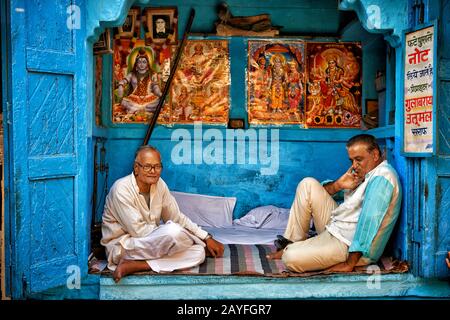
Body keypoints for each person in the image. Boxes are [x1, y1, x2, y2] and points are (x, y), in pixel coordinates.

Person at [267, 134, 402, 274]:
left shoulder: (383, 178)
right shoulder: (367, 174)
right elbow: (321, 192)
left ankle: (293, 250)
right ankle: (292, 243)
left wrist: (349, 264)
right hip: (336, 228)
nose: (354, 166)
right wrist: (338, 185)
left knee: (290, 258)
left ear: (375, 154)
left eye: (359, 160)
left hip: (348, 244)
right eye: (352, 161)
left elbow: (368, 223)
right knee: (307, 184)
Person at [101, 145, 224, 283]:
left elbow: (176, 217)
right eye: (147, 166)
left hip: (153, 245)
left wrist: (206, 237)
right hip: (125, 248)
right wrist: (185, 239)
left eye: (157, 166)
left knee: (198, 253)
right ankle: (136, 260)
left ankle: (139, 265)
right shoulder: (121, 189)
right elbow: (139, 231)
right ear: (136, 168)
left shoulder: (160, 185)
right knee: (173, 231)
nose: (153, 171)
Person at [117, 48, 162, 113]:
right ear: (136, 63)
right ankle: (143, 109)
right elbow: (124, 81)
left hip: (148, 98)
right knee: (124, 102)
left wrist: (159, 93)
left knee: (160, 102)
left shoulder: (152, 74)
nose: (142, 64)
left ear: (147, 63)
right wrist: (121, 85)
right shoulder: (132, 74)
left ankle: (136, 110)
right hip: (134, 98)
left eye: (144, 62)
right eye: (139, 62)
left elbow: (155, 87)